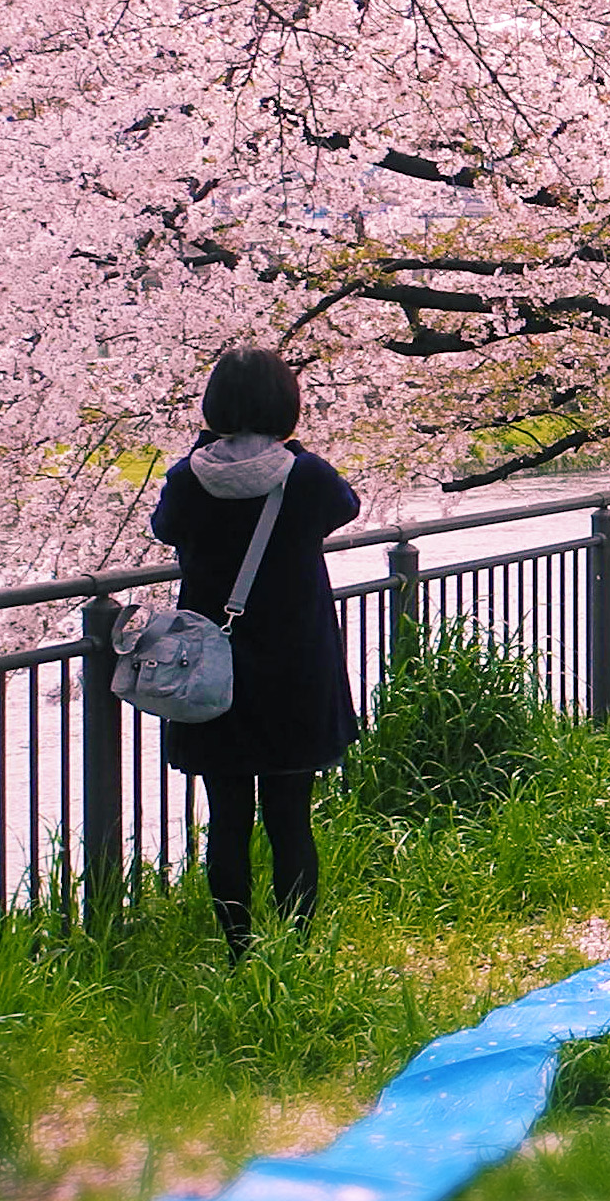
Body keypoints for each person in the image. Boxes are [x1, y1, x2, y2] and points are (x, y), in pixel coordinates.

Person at [150, 348, 362, 956]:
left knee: (228, 818)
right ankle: (298, 947)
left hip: (214, 668)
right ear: (285, 406)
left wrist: (201, 443)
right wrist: (291, 450)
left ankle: (238, 947)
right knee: (291, 816)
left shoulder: (189, 478)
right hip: (295, 665)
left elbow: (165, 530)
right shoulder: (307, 476)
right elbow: (345, 508)